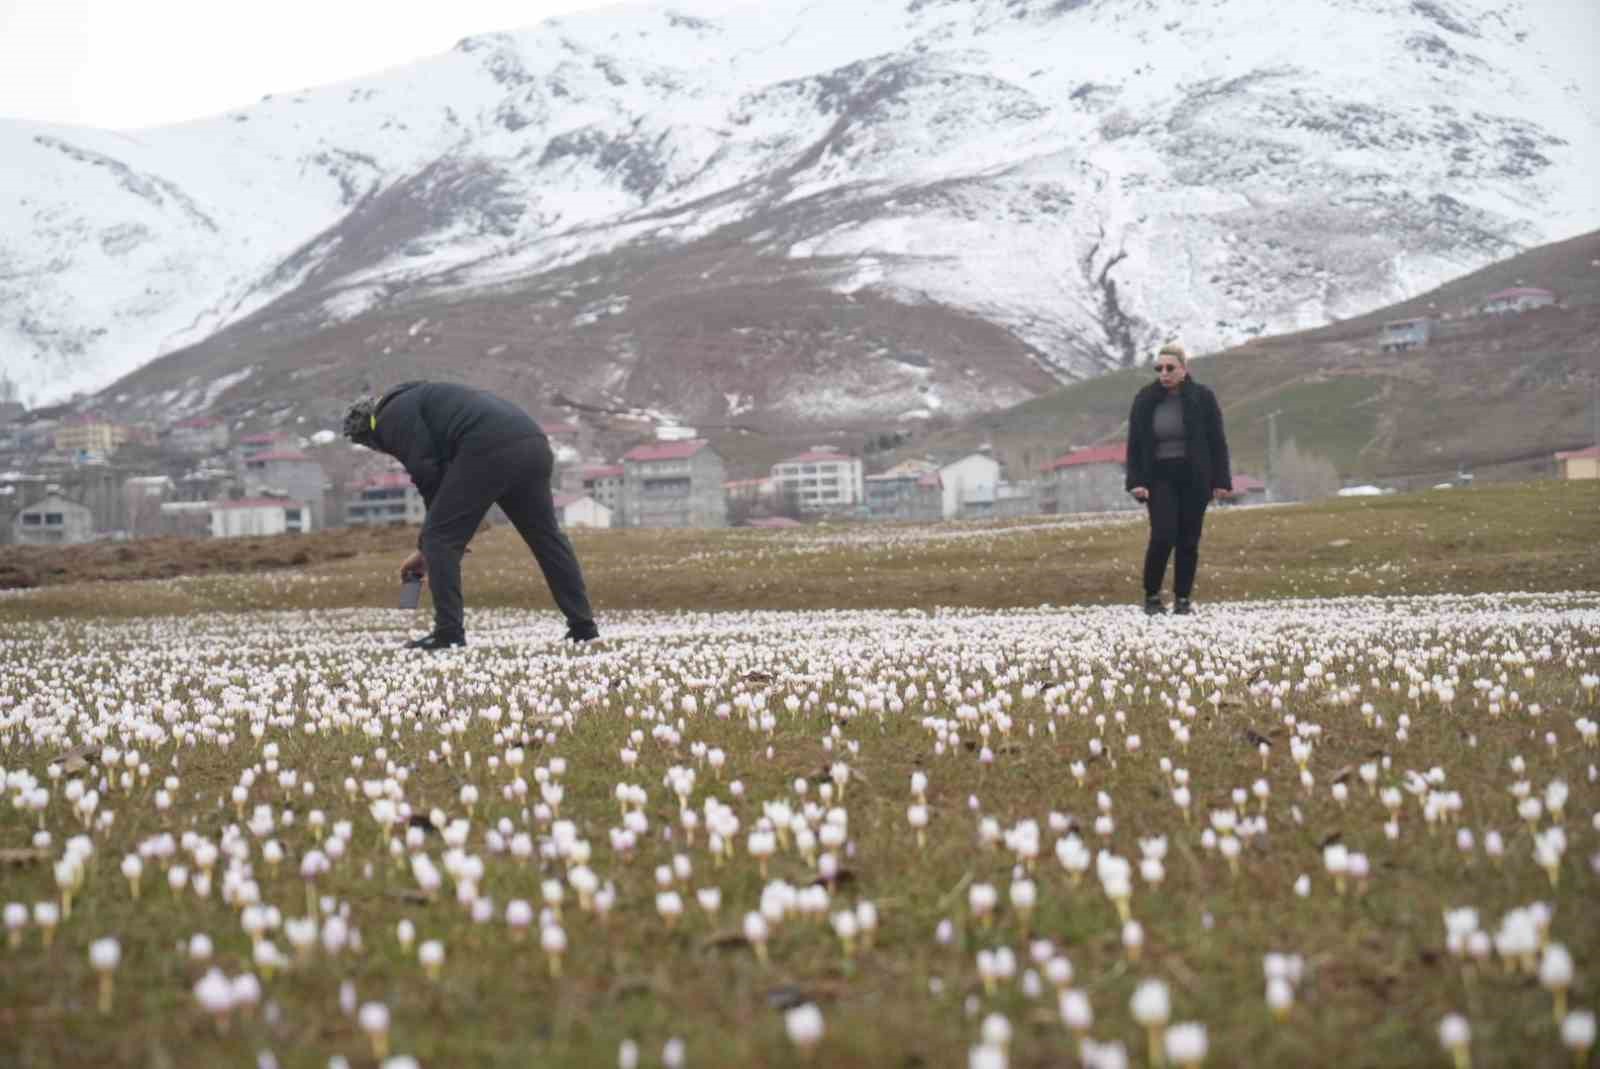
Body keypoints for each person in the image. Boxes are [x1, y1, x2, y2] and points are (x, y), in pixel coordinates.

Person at [342, 381, 599, 649]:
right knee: (546, 538)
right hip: (532, 443)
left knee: (439, 540)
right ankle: (583, 627)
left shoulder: (389, 418)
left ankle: (448, 634)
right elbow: (444, 477)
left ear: (368, 434)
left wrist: (433, 540)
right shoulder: (417, 398)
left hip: (489, 446)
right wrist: (439, 537)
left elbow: (427, 472)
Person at [1124, 342, 1231, 616]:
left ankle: (1183, 598)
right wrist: (1136, 481)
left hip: (1195, 476)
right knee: (1163, 535)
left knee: (1188, 539)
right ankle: (1151, 596)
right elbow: (1134, 444)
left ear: (1184, 369)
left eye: (1170, 368)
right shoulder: (1145, 399)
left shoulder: (1202, 397)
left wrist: (1221, 480)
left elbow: (1217, 441)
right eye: (1159, 368)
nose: (1164, 373)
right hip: (1159, 476)